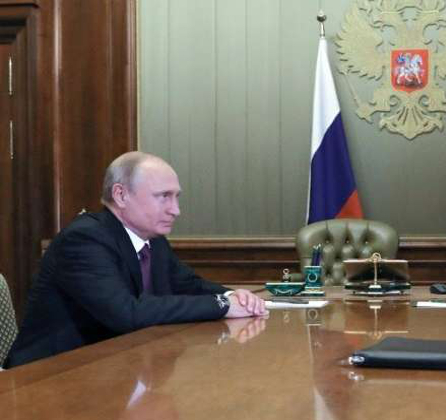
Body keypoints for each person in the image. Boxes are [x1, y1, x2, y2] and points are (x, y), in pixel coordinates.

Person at [4, 151, 269, 368]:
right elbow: (126, 313)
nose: (176, 210)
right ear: (121, 195)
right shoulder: (84, 240)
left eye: (176, 197)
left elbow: (190, 285)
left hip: (112, 372)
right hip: (48, 379)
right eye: (164, 196)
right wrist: (222, 305)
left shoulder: (152, 239)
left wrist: (236, 295)